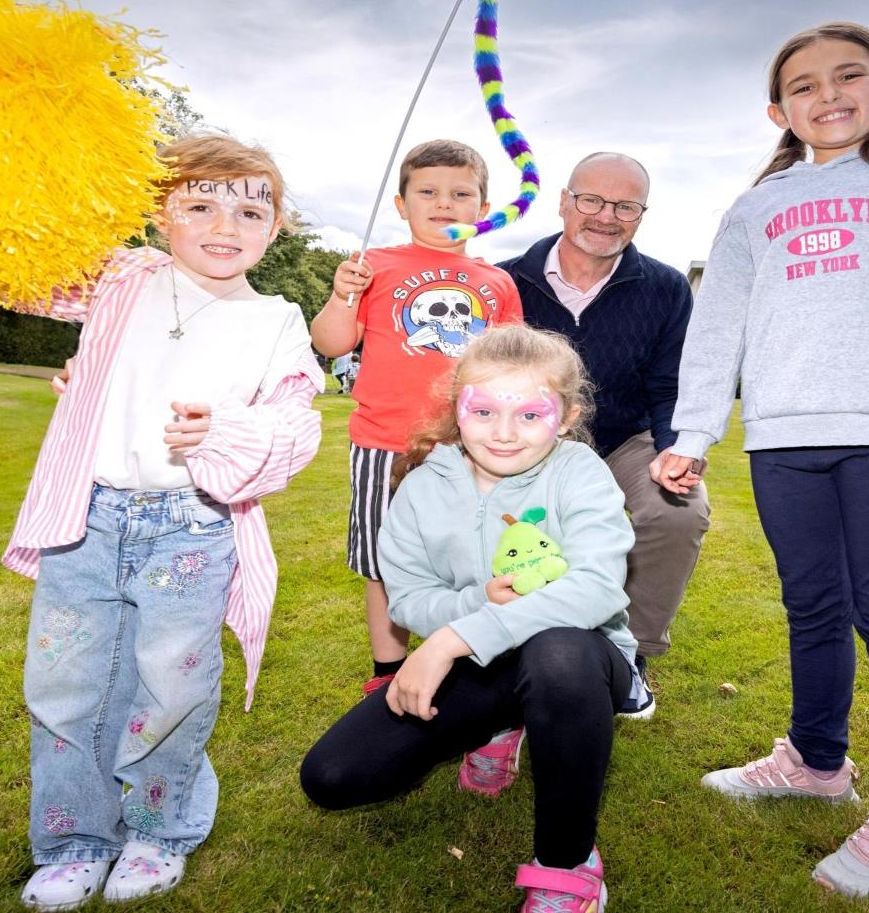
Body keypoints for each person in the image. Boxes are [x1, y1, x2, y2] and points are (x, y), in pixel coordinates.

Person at [657, 22, 869, 899]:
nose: (826, 94)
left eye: (848, 76)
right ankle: (817, 762)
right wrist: (692, 434)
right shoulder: (756, 206)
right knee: (813, 606)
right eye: (803, 85)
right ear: (778, 109)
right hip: (784, 433)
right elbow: (718, 323)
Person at [4, 135, 324, 910]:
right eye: (200, 203)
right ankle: (75, 838)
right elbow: (16, 274)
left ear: (273, 228)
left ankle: (157, 831)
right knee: (64, 683)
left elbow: (294, 423)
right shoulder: (122, 279)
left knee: (172, 689)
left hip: (193, 526)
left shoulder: (278, 320)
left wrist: (224, 433)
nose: (226, 223)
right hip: (87, 516)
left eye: (250, 209)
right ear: (161, 214)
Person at [299, 326, 636, 912]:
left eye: (530, 415)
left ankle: (567, 864)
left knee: (557, 652)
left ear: (566, 414)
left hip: (580, 658)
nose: (504, 433)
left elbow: (598, 586)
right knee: (334, 776)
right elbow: (406, 596)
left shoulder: (580, 471)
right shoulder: (425, 482)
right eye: (483, 411)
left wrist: (454, 637)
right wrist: (475, 607)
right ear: (457, 407)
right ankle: (501, 724)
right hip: (482, 661)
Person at [309, 139, 524, 694]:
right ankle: (387, 671)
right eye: (427, 191)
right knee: (385, 560)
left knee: (470, 559)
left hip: (470, 449)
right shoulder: (371, 266)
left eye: (461, 193)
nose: (444, 202)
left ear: (483, 207)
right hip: (386, 444)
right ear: (402, 204)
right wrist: (341, 296)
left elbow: (510, 365)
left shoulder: (497, 283)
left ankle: (461, 658)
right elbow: (332, 345)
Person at [499, 151, 702, 719]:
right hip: (527, 444)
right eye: (591, 200)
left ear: (642, 214)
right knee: (494, 517)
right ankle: (503, 642)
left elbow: (670, 385)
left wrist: (675, 450)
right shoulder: (506, 279)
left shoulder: (665, 287)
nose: (606, 216)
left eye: (625, 206)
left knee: (678, 508)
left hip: (622, 440)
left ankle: (628, 653)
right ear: (564, 201)